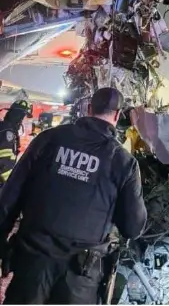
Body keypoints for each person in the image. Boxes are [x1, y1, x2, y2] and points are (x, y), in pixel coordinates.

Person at [0, 87, 147, 304]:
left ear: (89, 108)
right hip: (79, 277)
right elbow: (133, 228)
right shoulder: (124, 163)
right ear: (117, 115)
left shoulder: (49, 139)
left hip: (32, 263)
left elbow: (10, 194)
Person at [0, 101, 31, 188]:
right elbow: (5, 158)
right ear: (19, 116)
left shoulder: (6, 128)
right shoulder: (8, 131)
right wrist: (9, 182)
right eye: (24, 117)